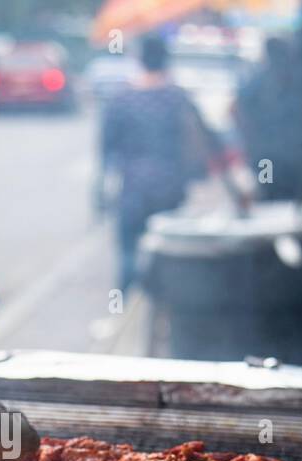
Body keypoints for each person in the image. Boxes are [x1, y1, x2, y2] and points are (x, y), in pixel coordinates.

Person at [99, 33, 227, 291]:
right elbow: (208, 138)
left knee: (128, 254)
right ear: (165, 61)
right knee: (168, 254)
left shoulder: (121, 99)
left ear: (139, 60)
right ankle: (162, 311)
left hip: (133, 189)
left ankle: (123, 310)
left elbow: (106, 149)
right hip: (170, 186)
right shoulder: (177, 97)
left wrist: (101, 193)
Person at [234, 36, 302, 201]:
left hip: (278, 156)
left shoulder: (292, 82)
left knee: (278, 195)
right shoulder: (261, 82)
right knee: (270, 194)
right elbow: (236, 110)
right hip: (270, 157)